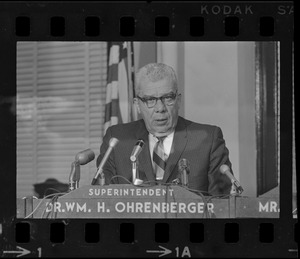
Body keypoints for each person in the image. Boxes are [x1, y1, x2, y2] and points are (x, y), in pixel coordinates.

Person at [96, 63, 232, 195]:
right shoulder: (118, 140)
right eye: (150, 100)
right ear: (137, 105)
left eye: (167, 98)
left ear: (178, 101)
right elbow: (100, 198)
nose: (160, 108)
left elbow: (223, 203)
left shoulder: (208, 140)